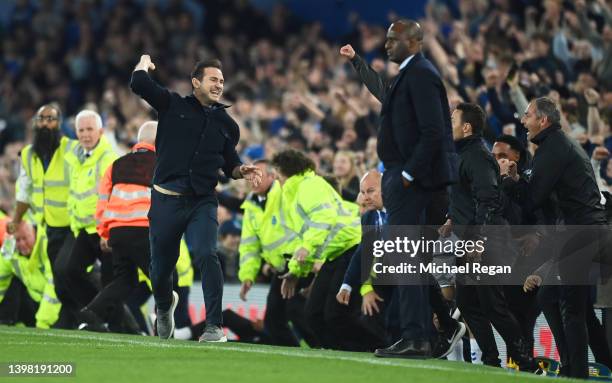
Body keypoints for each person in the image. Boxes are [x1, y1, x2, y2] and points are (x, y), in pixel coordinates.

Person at [341, 19, 457, 358]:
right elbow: (383, 91)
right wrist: (357, 63)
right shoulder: (409, 74)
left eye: (393, 39)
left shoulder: (421, 73)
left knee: (404, 260)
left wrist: (407, 174)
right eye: (387, 38)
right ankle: (419, 336)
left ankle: (415, 336)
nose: (387, 44)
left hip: (409, 180)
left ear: (414, 41)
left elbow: (434, 130)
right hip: (404, 177)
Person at [129, 55, 262, 341]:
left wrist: (242, 170)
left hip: (202, 201)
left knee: (206, 253)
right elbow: (138, 82)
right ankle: (164, 308)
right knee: (161, 269)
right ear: (196, 82)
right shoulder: (172, 104)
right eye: (213, 79)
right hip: (165, 200)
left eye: (222, 81)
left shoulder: (228, 125)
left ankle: (214, 326)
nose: (219, 85)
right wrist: (144, 62)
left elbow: (230, 164)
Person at [513, 98, 609, 378]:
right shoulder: (559, 145)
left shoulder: (552, 149)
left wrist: (510, 182)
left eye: (528, 115)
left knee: (572, 308)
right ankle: (597, 364)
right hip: (588, 230)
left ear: (543, 120)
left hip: (580, 233)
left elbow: (531, 199)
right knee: (554, 297)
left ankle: (575, 373)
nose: (523, 120)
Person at [442, 102, 536, 371]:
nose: (449, 125)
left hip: (484, 242)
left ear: (467, 127)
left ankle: (526, 362)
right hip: (469, 238)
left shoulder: (478, 156)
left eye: (453, 120)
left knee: (492, 305)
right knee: (468, 303)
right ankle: (491, 360)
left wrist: (479, 240)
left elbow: (488, 200)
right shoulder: (463, 154)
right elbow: (465, 194)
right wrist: (451, 218)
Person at [273, 149, 364, 351]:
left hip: (351, 247)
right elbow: (304, 235)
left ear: (285, 171)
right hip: (335, 253)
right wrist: (296, 271)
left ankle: (375, 345)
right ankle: (337, 354)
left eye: (277, 173)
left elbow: (324, 218)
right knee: (313, 314)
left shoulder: (309, 186)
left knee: (335, 314)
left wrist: (307, 246)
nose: (275, 178)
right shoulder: (295, 192)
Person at [77, 121, 157, 331]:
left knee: (125, 279)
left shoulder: (116, 164)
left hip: (117, 232)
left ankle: (92, 313)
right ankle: (164, 325)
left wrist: (104, 233)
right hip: (143, 229)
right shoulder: (163, 164)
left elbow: (102, 201)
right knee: (165, 277)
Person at [238, 159, 318, 347]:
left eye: (258, 175)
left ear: (273, 177)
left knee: (296, 312)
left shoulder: (285, 193)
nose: (252, 181)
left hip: (301, 263)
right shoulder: (250, 206)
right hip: (280, 269)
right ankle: (297, 355)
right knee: (273, 321)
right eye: (249, 176)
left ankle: (323, 347)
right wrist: (248, 275)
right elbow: (249, 246)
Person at [10, 104, 76, 327]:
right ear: (35, 123)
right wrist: (17, 220)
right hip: (48, 228)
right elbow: (23, 192)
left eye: (51, 119)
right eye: (42, 119)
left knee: (64, 271)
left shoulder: (71, 149)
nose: (46, 123)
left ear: (60, 124)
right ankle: (79, 320)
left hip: (74, 226)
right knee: (62, 277)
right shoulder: (28, 155)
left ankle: (92, 317)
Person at [54, 110, 118, 323]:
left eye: (90, 129)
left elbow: (112, 197)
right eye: (81, 130)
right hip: (82, 228)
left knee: (111, 282)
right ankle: (98, 313)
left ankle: (120, 326)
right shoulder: (76, 157)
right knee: (70, 271)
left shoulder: (108, 158)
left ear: (100, 131)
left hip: (103, 231)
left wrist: (107, 230)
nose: (85, 134)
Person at [0, 221, 60, 328]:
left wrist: (43, 322)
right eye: (17, 240)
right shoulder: (9, 249)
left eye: (25, 238)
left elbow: (54, 286)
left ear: (34, 233)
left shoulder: (48, 245)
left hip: (65, 298)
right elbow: (1, 278)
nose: (22, 244)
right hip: (38, 299)